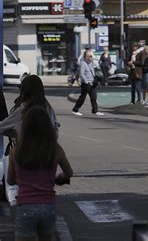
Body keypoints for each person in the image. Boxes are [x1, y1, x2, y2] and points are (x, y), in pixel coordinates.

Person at [7, 105, 73, 241]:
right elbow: (69, 172)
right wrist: (58, 178)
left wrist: (24, 180)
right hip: (48, 206)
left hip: (25, 206)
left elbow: (11, 180)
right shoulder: (54, 149)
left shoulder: (16, 151)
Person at [72, 50, 104, 117]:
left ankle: (95, 111)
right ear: (86, 57)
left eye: (91, 56)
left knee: (94, 97)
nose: (91, 57)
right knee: (83, 97)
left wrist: (94, 79)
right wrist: (87, 82)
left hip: (92, 82)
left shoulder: (91, 63)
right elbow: (82, 74)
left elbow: (94, 69)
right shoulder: (83, 63)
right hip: (86, 83)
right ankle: (75, 110)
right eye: (90, 56)